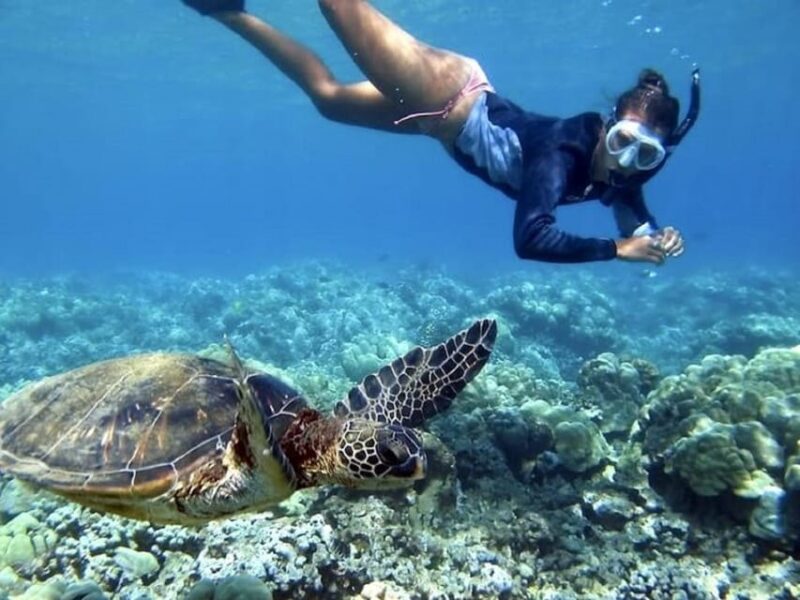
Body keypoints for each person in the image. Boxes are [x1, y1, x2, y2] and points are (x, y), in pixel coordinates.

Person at [180, 0, 700, 265]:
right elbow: (531, 238)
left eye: (645, 154)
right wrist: (617, 250)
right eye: (623, 142)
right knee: (338, 5)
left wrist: (650, 233)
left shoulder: (623, 173)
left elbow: (627, 202)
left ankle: (226, 9)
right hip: (448, 93)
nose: (627, 161)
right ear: (607, 126)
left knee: (328, 100)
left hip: (438, 124)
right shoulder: (561, 153)